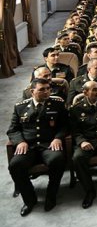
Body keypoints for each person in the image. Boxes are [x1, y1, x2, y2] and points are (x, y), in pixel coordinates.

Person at [7, 78, 68, 216]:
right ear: (32, 91)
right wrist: (20, 142)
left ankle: (51, 196)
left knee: (57, 159)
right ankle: (29, 200)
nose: (46, 92)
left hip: (48, 145)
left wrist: (58, 138)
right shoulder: (20, 107)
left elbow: (65, 125)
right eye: (42, 89)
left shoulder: (57, 104)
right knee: (15, 165)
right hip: (29, 146)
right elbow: (13, 129)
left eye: (48, 89)